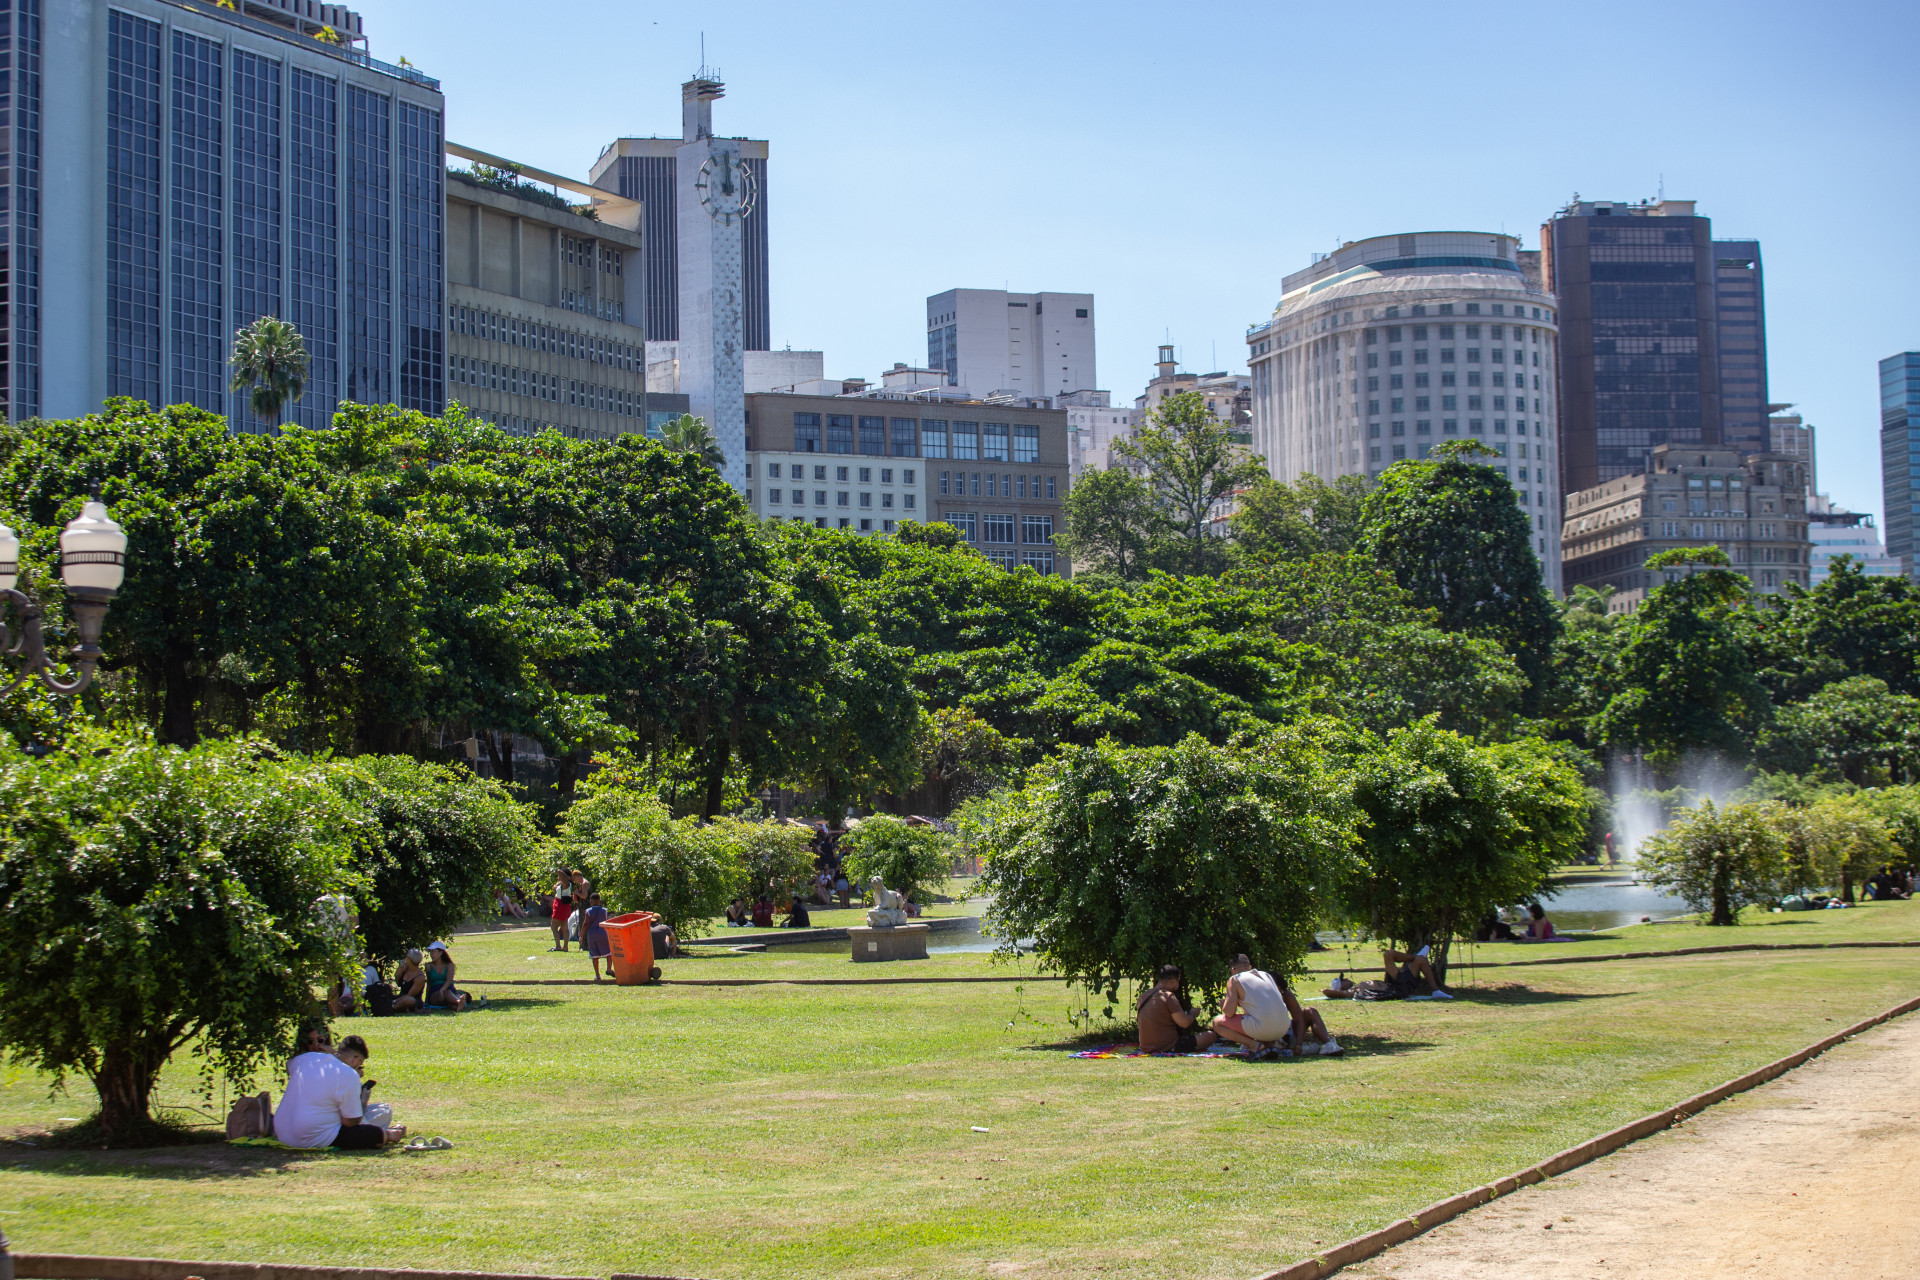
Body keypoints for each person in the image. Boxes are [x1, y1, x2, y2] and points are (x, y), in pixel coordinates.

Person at [274, 1033, 405, 1150]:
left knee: (379, 1111)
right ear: (355, 1059)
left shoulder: (306, 1059)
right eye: (360, 1064)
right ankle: (388, 1134)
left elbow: (289, 1065)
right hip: (310, 1136)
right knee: (375, 1135)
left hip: (282, 1132)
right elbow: (350, 1122)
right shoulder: (349, 1074)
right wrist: (362, 1102)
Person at [1211, 954, 1341, 1059]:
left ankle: (1254, 1046)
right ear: (1250, 967)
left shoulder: (1234, 979)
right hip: (1283, 1028)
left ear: (1233, 970)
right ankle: (1270, 1044)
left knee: (1217, 1022)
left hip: (1266, 1028)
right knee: (1261, 1022)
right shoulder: (1266, 975)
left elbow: (1228, 1013)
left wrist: (1226, 1004)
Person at [1136, 964, 1216, 1055]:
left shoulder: (1144, 995)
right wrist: (1193, 1013)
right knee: (1211, 1035)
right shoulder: (1168, 996)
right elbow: (1184, 1023)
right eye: (1178, 981)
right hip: (1168, 1047)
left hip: (1146, 1047)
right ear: (1173, 981)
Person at [424, 942, 480, 1011]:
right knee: (447, 994)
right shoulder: (429, 966)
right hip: (435, 992)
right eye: (430, 952)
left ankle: (458, 1007)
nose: (431, 954)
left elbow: (449, 980)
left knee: (448, 995)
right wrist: (426, 1000)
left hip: (448, 989)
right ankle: (459, 1002)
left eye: (434, 952)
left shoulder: (449, 965)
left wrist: (442, 990)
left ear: (440, 952)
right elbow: (429, 983)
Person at [580, 894, 612, 981]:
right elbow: (606, 921)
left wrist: (581, 935)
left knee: (594, 955)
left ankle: (597, 975)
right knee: (608, 953)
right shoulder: (604, 910)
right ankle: (609, 969)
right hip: (602, 932)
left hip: (592, 934)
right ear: (599, 901)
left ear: (591, 901)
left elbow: (586, 923)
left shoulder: (588, 911)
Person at [550, 870, 576, 952]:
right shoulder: (565, 884)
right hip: (564, 906)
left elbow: (560, 874)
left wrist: (559, 871)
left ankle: (558, 945)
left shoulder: (566, 883)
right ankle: (565, 946)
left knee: (554, 926)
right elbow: (555, 886)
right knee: (564, 926)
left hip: (560, 906)